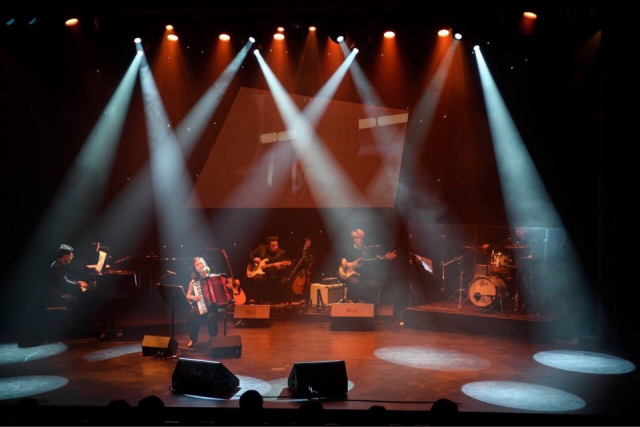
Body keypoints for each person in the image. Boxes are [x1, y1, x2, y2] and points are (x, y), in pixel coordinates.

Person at [47, 244, 96, 334]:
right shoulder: (58, 266)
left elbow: (64, 280)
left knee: (80, 299)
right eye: (71, 254)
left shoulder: (58, 264)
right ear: (65, 256)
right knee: (79, 301)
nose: (72, 256)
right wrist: (78, 284)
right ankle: (77, 329)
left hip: (58, 294)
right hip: (57, 296)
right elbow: (64, 282)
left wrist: (78, 282)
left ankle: (77, 326)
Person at [185, 257, 233, 348]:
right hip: (201, 306)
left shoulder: (215, 277)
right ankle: (193, 339)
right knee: (192, 313)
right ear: (195, 269)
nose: (200, 266)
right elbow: (188, 295)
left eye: (201, 263)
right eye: (197, 265)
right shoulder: (194, 281)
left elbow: (226, 287)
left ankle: (213, 339)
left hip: (213, 307)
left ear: (205, 264)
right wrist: (193, 297)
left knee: (212, 317)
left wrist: (228, 286)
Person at [339, 229, 381, 304]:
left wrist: (378, 258)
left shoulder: (365, 250)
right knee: (355, 283)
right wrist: (343, 259)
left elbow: (368, 262)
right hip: (350, 274)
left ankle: (369, 304)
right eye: (357, 238)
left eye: (361, 238)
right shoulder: (348, 248)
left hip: (361, 274)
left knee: (374, 284)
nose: (360, 240)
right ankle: (355, 303)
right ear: (353, 240)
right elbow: (338, 257)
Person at [245, 236, 290, 304]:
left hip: (275, 275)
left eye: (276, 245)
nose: (275, 247)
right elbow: (250, 254)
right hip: (264, 274)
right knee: (256, 279)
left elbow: (285, 268)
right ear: (268, 246)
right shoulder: (261, 248)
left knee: (283, 281)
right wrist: (254, 259)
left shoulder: (282, 253)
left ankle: (278, 302)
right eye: (273, 246)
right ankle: (258, 301)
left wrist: (279, 268)